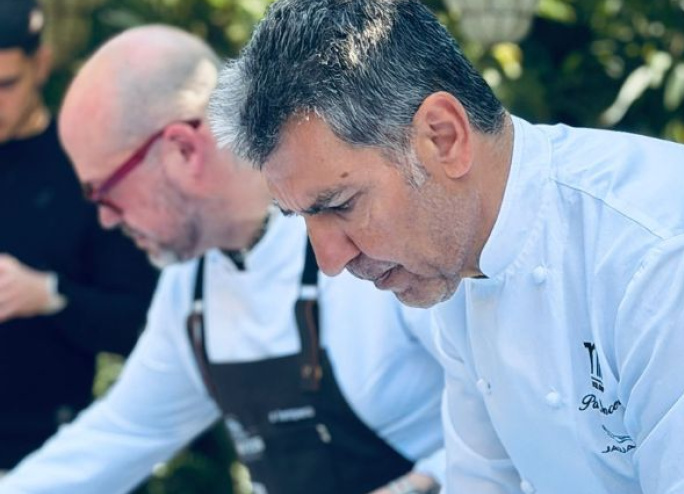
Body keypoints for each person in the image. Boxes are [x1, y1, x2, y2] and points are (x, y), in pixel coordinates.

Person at [209, 0, 684, 492]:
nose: (328, 259)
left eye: (339, 205)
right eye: (300, 218)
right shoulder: (455, 263)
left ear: (443, 136)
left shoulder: (670, 251)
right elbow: (486, 482)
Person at [0, 25, 444, 494]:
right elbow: (123, 432)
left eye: (106, 194)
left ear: (182, 151)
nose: (107, 221)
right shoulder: (190, 289)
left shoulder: (368, 233)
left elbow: (506, 414)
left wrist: (417, 486)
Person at [0, 0, 158, 472]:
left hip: (44, 453)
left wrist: (49, 295)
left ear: (41, 63)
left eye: (6, 84)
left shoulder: (86, 172)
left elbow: (143, 321)